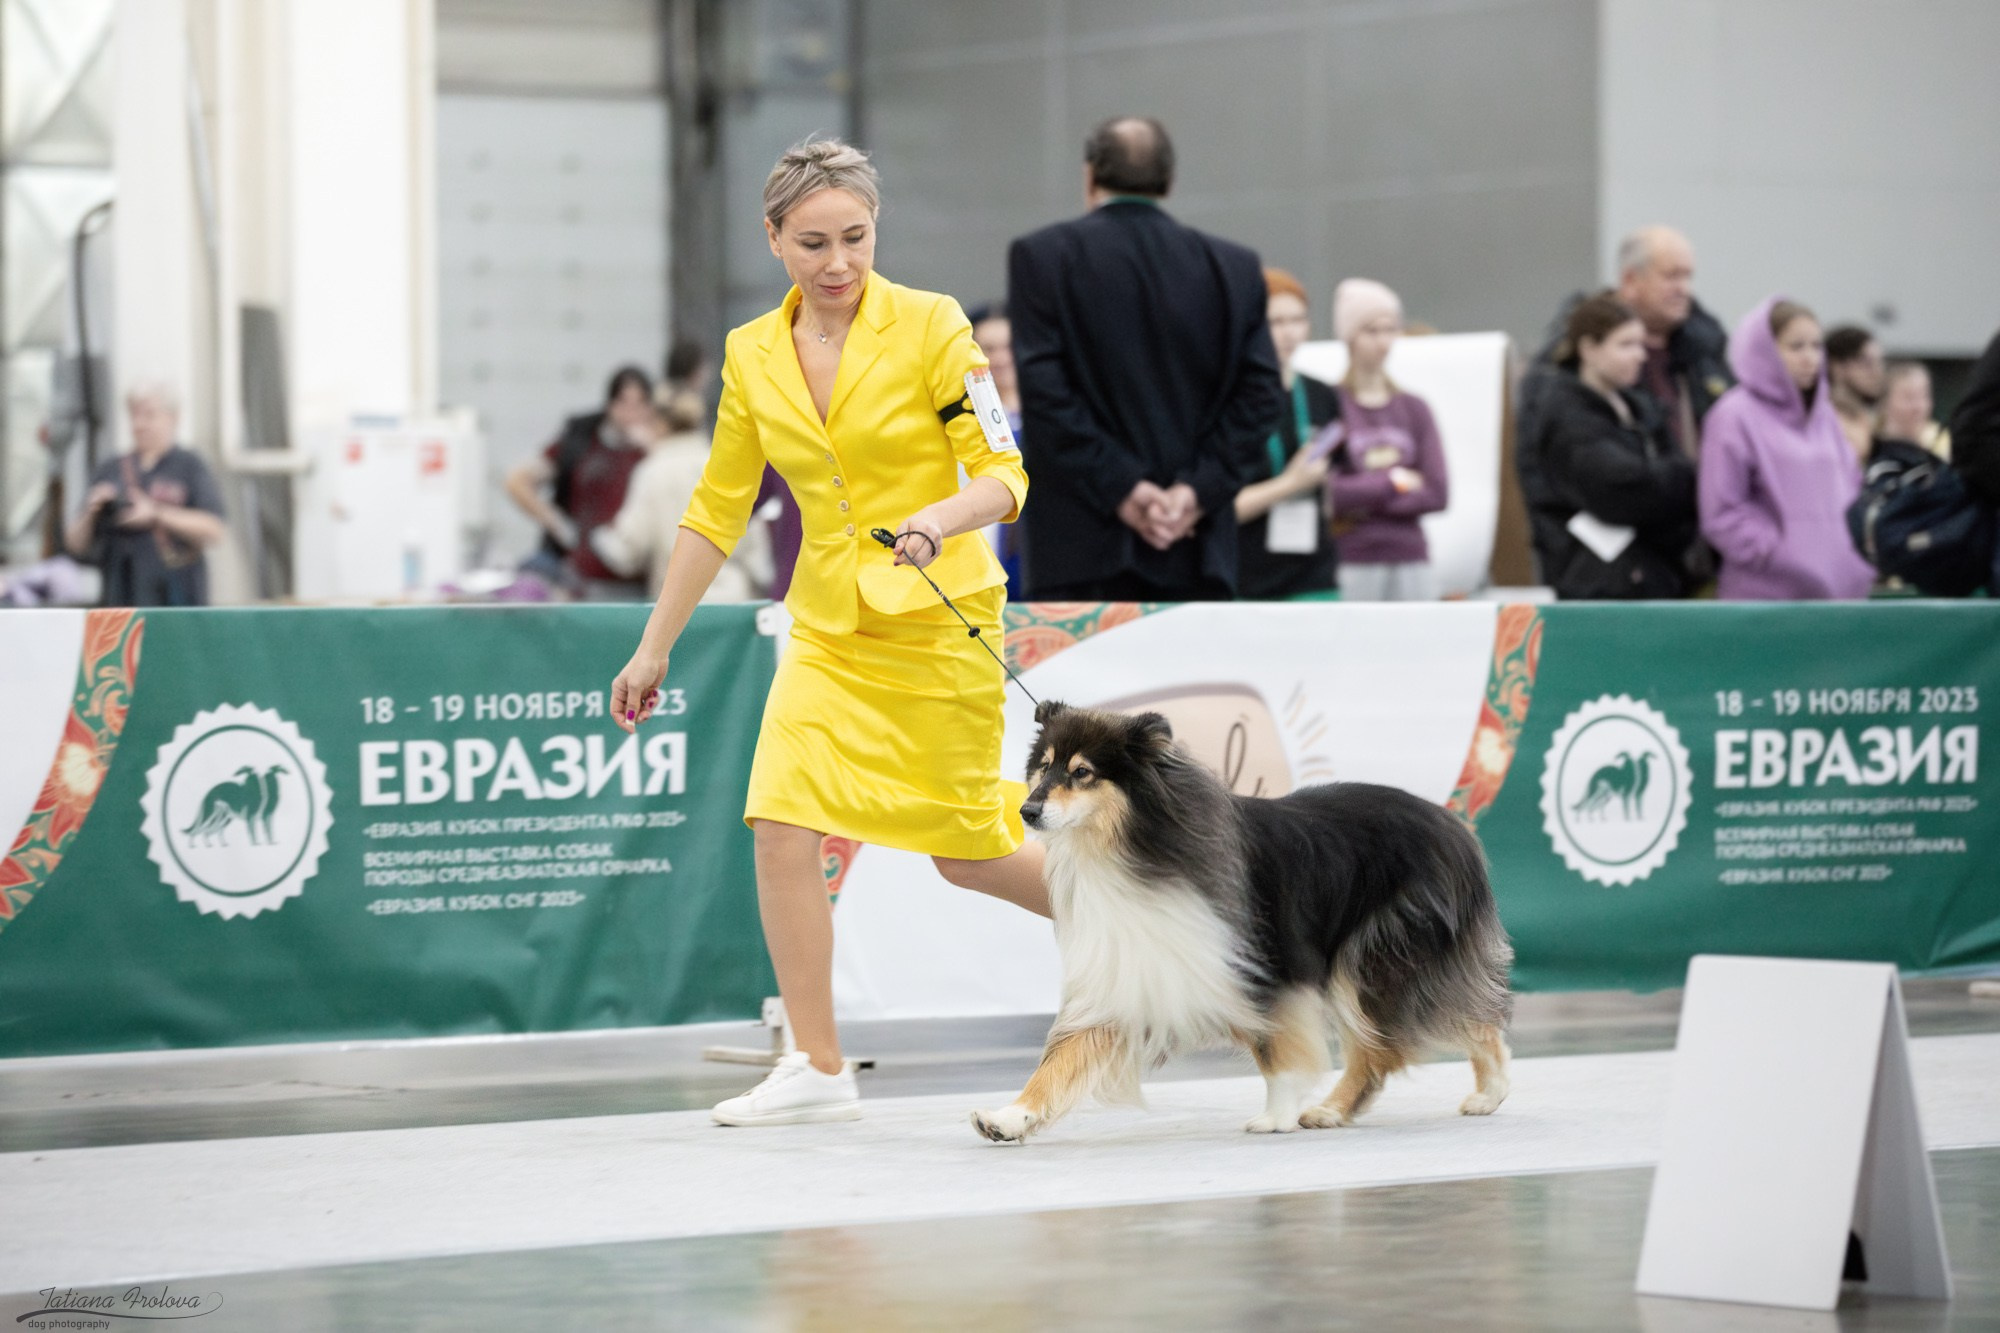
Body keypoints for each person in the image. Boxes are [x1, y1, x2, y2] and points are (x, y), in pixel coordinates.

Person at [606, 139, 1044, 1127]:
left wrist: (942, 517)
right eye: (813, 242)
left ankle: (1150, 929)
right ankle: (815, 1064)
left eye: (854, 237)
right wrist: (652, 644)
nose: (838, 262)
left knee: (967, 853)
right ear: (772, 240)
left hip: (938, 621)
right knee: (778, 822)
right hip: (828, 628)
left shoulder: (934, 325)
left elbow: (1004, 473)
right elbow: (716, 509)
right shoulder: (750, 352)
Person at [1008, 115, 1281, 602]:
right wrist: (1194, 494)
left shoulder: (1043, 257)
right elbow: (1260, 400)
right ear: (1169, 181)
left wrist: (1124, 488)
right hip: (1196, 550)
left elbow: (1046, 395)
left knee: (1076, 683)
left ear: (1089, 176)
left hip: (1082, 548)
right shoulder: (1233, 267)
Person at [1699, 298, 1875, 601]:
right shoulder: (1733, 415)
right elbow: (1723, 512)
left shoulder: (1826, 417)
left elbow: (1852, 490)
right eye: (1796, 347)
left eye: (1816, 346)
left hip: (1842, 598)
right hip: (1767, 602)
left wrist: (1858, 557)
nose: (1810, 358)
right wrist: (1781, 557)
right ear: (1764, 351)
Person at [1525, 294, 1697, 599]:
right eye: (1626, 345)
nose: (1640, 356)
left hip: (1654, 576)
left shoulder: (1640, 407)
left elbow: (1671, 482)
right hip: (1599, 586)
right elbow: (1621, 491)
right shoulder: (1566, 416)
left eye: (1641, 344)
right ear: (1589, 349)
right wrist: (1682, 480)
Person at [1325, 279, 1447, 601]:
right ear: (1350, 336)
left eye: (1390, 330)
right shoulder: (1331, 407)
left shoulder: (1414, 408)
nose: (1383, 342)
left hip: (1410, 555)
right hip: (1354, 557)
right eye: (1371, 331)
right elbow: (1329, 492)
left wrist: (1364, 497)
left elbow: (1437, 491)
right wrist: (1394, 481)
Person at [590, 390, 771, 599]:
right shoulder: (725, 465)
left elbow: (628, 551)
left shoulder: (652, 471)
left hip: (677, 603)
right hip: (733, 598)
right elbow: (756, 543)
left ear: (660, 424)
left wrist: (599, 537)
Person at [64, 382, 226, 606]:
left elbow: (214, 530)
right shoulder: (111, 469)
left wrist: (156, 514)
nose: (139, 424)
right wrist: (91, 512)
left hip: (176, 597)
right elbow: (74, 544)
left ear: (173, 418)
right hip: (119, 596)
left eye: (149, 415)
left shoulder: (189, 466)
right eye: (134, 416)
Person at [1232, 269, 1340, 600]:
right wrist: (1289, 484)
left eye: (1297, 320)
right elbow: (1222, 508)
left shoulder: (1321, 393)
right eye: (1275, 322)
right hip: (1249, 575)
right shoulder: (1231, 399)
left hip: (1314, 572)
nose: (1288, 333)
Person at [505, 366, 655, 596]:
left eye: (639, 405)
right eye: (623, 403)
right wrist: (557, 523)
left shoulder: (656, 453)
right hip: (582, 578)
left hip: (637, 581)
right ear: (610, 405)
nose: (630, 414)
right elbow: (517, 481)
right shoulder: (581, 441)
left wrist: (654, 450)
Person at [969, 303, 1026, 600]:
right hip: (976, 574)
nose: (1001, 359)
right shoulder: (961, 427)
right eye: (989, 348)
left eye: (1010, 347)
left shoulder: (1058, 424)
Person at [1825, 324, 1885, 465]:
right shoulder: (1824, 419)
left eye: (1879, 362)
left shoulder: (1874, 418)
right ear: (1837, 367)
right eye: (1867, 363)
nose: (1877, 372)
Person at [1879, 361, 1951, 459]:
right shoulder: (1867, 443)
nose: (1918, 407)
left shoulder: (1941, 440)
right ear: (1885, 402)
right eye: (1909, 397)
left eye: (1924, 396)